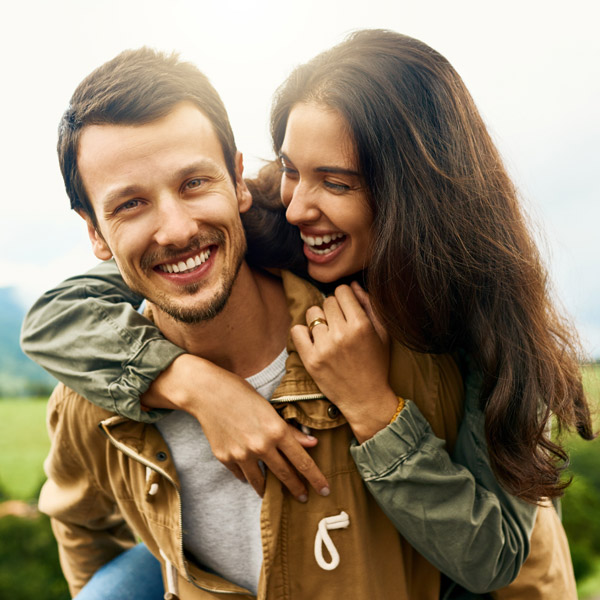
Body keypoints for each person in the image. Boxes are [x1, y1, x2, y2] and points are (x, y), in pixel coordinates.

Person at [23, 31, 591, 598]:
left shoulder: (471, 332)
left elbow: (498, 560)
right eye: (292, 170)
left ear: (408, 199)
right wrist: (192, 383)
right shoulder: (264, 218)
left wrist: (373, 408)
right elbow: (60, 312)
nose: (297, 205)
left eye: (337, 182)